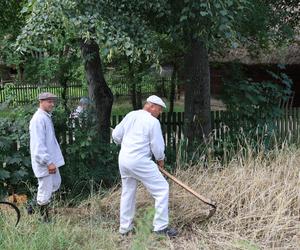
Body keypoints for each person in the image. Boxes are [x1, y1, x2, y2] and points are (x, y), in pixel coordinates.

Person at [112, 95, 178, 237]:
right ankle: (160, 228)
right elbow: (157, 147)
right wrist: (160, 160)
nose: (159, 113)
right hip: (140, 160)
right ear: (151, 106)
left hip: (123, 159)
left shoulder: (131, 115)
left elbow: (116, 136)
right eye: (159, 109)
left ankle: (125, 228)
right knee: (162, 189)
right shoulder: (152, 122)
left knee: (128, 192)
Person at [29, 92, 65, 222]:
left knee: (55, 183)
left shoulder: (45, 117)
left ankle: (32, 206)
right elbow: (38, 146)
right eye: (49, 101)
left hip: (50, 161)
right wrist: (48, 162)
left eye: (52, 101)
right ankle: (43, 219)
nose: (52, 104)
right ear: (41, 101)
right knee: (45, 190)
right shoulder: (38, 119)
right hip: (44, 162)